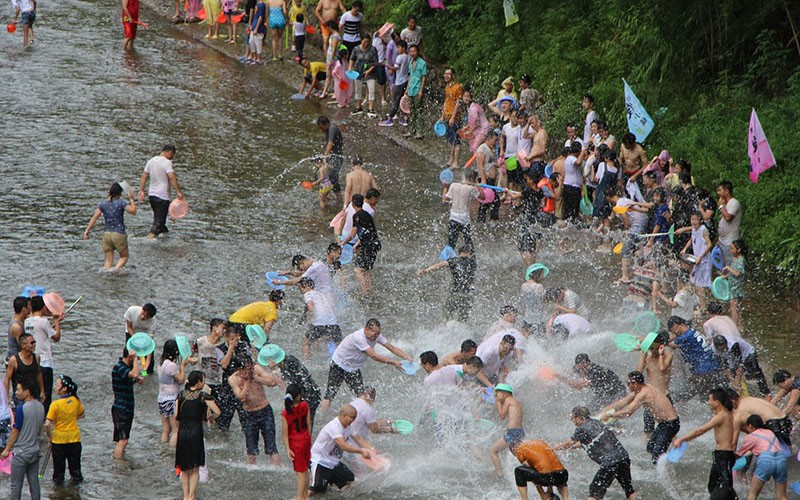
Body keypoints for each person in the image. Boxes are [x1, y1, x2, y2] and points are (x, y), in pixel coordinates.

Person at [321, 318, 412, 413]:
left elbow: (391, 347)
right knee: (330, 394)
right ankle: (323, 417)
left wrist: (407, 356)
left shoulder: (376, 336)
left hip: (353, 368)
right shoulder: (358, 338)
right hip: (339, 364)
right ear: (366, 330)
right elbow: (374, 355)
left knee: (362, 396)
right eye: (374, 333)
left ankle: (362, 416)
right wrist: (394, 363)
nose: (376, 336)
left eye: (378, 333)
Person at [554, 406, 636, 500]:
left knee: (594, 492)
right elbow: (582, 443)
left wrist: (553, 448)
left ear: (580, 418)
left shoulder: (581, 428)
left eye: (573, 418)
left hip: (609, 463)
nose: (572, 420)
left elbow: (570, 442)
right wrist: (567, 448)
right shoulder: (597, 423)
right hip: (623, 457)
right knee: (629, 490)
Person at [600, 371, 680, 463]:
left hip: (670, 424)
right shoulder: (643, 388)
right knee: (650, 447)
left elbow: (628, 412)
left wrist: (610, 415)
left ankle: (665, 474)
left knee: (657, 454)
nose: (627, 385)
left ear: (635, 384)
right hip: (664, 424)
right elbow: (625, 401)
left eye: (628, 383)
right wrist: (606, 409)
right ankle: (667, 457)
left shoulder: (643, 394)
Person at [672, 388, 736, 496]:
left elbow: (700, 430)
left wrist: (682, 439)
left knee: (727, 488)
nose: (708, 402)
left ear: (717, 402)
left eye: (709, 400)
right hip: (721, 455)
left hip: (724, 456)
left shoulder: (722, 416)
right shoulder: (726, 413)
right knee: (712, 486)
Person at [309, 404, 375, 494]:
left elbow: (358, 438)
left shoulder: (349, 427)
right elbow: (343, 445)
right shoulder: (334, 426)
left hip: (334, 462)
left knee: (349, 480)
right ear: (343, 415)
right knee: (314, 490)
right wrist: (361, 451)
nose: (354, 420)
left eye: (355, 417)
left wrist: (371, 449)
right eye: (352, 417)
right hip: (320, 461)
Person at [176, 371, 220, 500]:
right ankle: (191, 496)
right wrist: (210, 417)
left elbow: (176, 417)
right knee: (195, 468)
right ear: (199, 382)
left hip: (183, 433)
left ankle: (185, 496)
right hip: (196, 433)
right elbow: (217, 411)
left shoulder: (181, 395)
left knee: (184, 468)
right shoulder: (203, 396)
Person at [228, 357, 280, 464]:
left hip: (265, 411)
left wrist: (255, 377)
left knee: (272, 447)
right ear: (239, 370)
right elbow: (241, 397)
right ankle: (251, 470)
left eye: (250, 369)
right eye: (246, 370)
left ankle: (277, 467)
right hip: (249, 414)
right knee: (251, 449)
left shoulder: (256, 370)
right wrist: (247, 382)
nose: (249, 372)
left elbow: (272, 382)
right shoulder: (233, 379)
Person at [2, 378, 45, 500]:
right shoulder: (41, 407)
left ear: (27, 392)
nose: (15, 392)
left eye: (18, 389)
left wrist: (7, 449)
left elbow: (15, 431)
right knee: (34, 484)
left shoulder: (22, 409)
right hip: (35, 451)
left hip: (21, 453)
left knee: (16, 485)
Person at [260, 344, 322, 423]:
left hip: (310, 396)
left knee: (304, 425)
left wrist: (273, 371)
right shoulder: (287, 360)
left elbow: (282, 385)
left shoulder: (289, 365)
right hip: (309, 393)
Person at [667, 316, 723, 402]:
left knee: (682, 395)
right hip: (712, 368)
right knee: (707, 398)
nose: (673, 333)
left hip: (703, 371)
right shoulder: (691, 331)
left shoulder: (685, 337)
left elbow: (670, 344)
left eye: (672, 330)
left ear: (676, 326)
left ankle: (671, 410)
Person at [84, 182, 137, 270]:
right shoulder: (121, 203)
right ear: (119, 193)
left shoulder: (103, 204)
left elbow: (94, 218)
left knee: (108, 260)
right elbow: (133, 211)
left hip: (107, 234)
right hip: (119, 234)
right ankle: (116, 271)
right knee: (124, 256)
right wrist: (131, 199)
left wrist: (87, 230)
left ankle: (108, 274)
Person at [735, 414, 789, 500]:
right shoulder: (770, 432)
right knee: (782, 496)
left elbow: (738, 455)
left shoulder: (751, 436)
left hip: (766, 459)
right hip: (781, 459)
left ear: (750, 426)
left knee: (752, 494)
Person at [137, 145, 185, 239]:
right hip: (162, 196)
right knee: (158, 223)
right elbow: (171, 177)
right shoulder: (167, 162)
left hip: (152, 195)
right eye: (173, 155)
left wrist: (141, 190)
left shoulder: (151, 161)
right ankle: (149, 240)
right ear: (170, 152)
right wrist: (178, 192)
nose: (172, 158)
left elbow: (144, 176)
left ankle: (165, 236)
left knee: (160, 222)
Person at [418, 245, 477, 322]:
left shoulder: (454, 261)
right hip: (469, 296)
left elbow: (438, 266)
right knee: (463, 319)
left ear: (459, 253)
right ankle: (460, 329)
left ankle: (450, 325)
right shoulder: (473, 263)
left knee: (446, 310)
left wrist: (425, 271)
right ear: (469, 253)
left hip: (457, 294)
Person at [44, 375, 84, 485]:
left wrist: (49, 437)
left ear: (64, 388)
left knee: (58, 474)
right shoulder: (76, 400)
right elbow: (81, 414)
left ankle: (58, 494)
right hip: (75, 439)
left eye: (57, 385)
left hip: (59, 441)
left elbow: (47, 424)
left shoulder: (55, 405)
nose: (55, 387)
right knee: (76, 471)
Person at [24, 295, 60, 412]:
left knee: (34, 394)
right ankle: (45, 419)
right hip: (45, 363)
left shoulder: (27, 321)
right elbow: (56, 337)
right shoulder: (44, 322)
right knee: (46, 395)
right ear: (44, 307)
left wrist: (52, 325)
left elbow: (41, 331)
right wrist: (56, 320)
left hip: (32, 362)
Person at [556, 354, 627, 413]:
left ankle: (617, 427)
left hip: (618, 392)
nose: (582, 371)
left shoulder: (595, 372)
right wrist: (555, 372)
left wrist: (561, 378)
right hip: (604, 394)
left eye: (584, 368)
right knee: (590, 410)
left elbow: (579, 386)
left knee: (608, 411)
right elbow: (569, 371)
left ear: (589, 363)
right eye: (580, 369)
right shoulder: (579, 368)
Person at [341, 193, 381, 294]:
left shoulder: (357, 216)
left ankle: (364, 293)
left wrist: (343, 242)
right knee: (366, 270)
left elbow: (353, 234)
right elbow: (368, 232)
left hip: (368, 246)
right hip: (374, 245)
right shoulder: (367, 214)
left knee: (358, 270)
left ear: (353, 203)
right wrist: (358, 245)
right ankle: (371, 289)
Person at [727, 389, 791, 450]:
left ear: (732, 402)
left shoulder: (741, 410)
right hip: (785, 419)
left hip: (774, 423)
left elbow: (752, 428)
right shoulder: (748, 398)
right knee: (786, 444)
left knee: (741, 424)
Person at [157, 339, 189, 446]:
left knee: (166, 429)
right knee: (176, 430)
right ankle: (171, 451)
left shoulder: (161, 364)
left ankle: (163, 448)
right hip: (171, 399)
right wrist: (183, 366)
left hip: (162, 398)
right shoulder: (172, 366)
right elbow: (181, 380)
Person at [111, 348, 143, 459]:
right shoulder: (119, 367)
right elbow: (134, 374)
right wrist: (135, 360)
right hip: (122, 408)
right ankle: (118, 465)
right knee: (123, 440)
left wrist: (136, 381)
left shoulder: (124, 368)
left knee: (121, 439)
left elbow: (129, 379)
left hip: (124, 408)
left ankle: (120, 458)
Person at [282, 384, 312, 500]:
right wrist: (309, 439)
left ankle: (299, 497)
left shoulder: (286, 414)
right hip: (305, 439)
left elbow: (285, 434)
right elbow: (308, 423)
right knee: (305, 469)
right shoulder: (305, 405)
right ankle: (304, 496)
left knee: (300, 472)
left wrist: (288, 448)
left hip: (296, 443)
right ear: (298, 396)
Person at [298, 277, 341, 357]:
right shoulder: (321, 294)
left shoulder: (308, 294)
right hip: (334, 323)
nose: (301, 291)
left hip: (319, 323)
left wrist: (309, 322)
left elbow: (311, 308)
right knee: (339, 345)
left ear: (308, 286)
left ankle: (307, 362)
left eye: (301, 288)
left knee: (306, 342)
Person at [489, 383, 524, 475]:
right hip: (519, 432)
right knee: (519, 455)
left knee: (493, 450)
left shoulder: (508, 400)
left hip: (512, 432)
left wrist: (498, 402)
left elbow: (501, 415)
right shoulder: (516, 401)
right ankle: (534, 468)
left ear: (504, 393)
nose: (496, 396)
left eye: (497, 394)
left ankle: (499, 474)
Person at [681, 211, 713, 308]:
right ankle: (702, 304)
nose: (693, 222)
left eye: (695, 220)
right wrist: (685, 248)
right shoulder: (694, 229)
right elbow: (691, 239)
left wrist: (701, 257)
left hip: (705, 261)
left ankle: (703, 307)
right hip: (697, 260)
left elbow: (709, 244)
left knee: (701, 284)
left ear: (700, 221)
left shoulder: (703, 230)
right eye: (692, 219)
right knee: (695, 282)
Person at [4, 334, 44, 407]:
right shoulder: (14, 360)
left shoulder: (36, 357)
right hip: (20, 396)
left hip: (35, 394)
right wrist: (7, 397)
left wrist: (42, 391)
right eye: (31, 343)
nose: (34, 345)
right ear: (23, 345)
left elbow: (39, 374)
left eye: (34, 342)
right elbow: (7, 379)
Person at [195, 318, 227, 406]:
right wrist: (193, 360)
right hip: (202, 381)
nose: (224, 331)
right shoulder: (200, 342)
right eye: (223, 328)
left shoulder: (223, 345)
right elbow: (190, 357)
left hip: (217, 381)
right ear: (214, 328)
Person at [420, 352, 491, 387]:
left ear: (427, 365)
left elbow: (429, 400)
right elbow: (462, 389)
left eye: (422, 365)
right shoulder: (451, 370)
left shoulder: (428, 380)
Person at [349, 36, 379, 116]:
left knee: (371, 89)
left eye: (367, 42)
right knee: (358, 89)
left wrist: (369, 71)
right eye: (364, 42)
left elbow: (376, 62)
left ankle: (370, 109)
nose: (366, 44)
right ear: (361, 41)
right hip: (358, 71)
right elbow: (352, 59)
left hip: (371, 72)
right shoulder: (356, 49)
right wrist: (350, 68)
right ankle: (358, 107)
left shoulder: (373, 49)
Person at [440, 68, 463, 169]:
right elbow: (446, 101)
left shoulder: (457, 87)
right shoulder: (447, 86)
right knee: (451, 140)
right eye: (445, 73)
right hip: (447, 116)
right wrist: (442, 115)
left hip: (455, 118)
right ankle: (451, 160)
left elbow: (458, 103)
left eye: (448, 74)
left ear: (453, 75)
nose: (446, 75)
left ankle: (456, 163)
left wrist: (453, 117)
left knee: (456, 141)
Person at [124, 303, 158, 373]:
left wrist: (147, 364)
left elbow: (150, 344)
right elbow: (129, 327)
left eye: (146, 317)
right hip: (132, 331)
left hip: (145, 335)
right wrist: (136, 339)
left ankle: (148, 373)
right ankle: (127, 370)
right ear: (142, 309)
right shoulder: (131, 310)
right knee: (128, 352)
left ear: (150, 318)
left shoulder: (153, 322)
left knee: (148, 358)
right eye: (142, 313)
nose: (143, 317)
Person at [317, 116, 345, 203]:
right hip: (333, 157)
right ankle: (328, 196)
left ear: (325, 124)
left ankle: (339, 198)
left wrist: (325, 157)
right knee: (328, 176)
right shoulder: (330, 128)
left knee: (333, 177)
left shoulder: (332, 129)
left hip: (336, 157)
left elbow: (330, 143)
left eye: (321, 127)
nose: (321, 129)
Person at [404, 44, 427, 140]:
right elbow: (410, 76)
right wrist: (407, 89)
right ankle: (411, 130)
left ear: (418, 52)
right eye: (411, 51)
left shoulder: (422, 63)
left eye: (414, 51)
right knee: (411, 111)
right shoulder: (410, 63)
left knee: (419, 111)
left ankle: (419, 132)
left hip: (418, 89)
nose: (412, 53)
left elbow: (424, 77)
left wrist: (421, 91)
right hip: (411, 90)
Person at [722, 239, 747, 328]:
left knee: (734, 309)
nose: (731, 251)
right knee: (736, 308)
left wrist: (728, 268)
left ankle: (734, 327)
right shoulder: (735, 258)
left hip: (736, 288)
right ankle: (740, 327)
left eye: (732, 249)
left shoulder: (740, 260)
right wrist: (727, 276)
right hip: (732, 287)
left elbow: (737, 273)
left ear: (739, 250)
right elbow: (733, 272)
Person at [716, 181, 741, 267]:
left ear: (726, 191)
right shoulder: (725, 203)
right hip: (722, 240)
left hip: (730, 241)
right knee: (722, 266)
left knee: (730, 266)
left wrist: (721, 207)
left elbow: (728, 218)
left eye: (720, 190)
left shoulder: (734, 202)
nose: (718, 193)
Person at [5, 296, 30, 362]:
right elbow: (23, 346)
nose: (30, 308)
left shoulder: (17, 318)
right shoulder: (17, 327)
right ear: (24, 309)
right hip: (14, 361)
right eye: (29, 306)